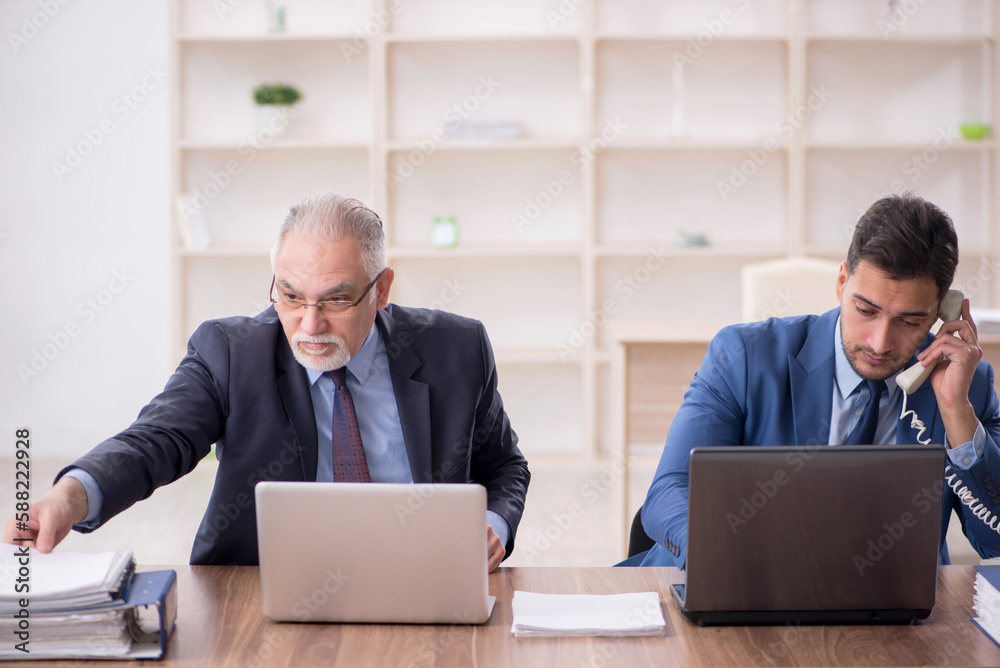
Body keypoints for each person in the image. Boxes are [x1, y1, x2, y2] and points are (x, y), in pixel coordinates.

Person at [4, 193, 530, 571]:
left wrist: (494, 527)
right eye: (291, 295)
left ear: (382, 288)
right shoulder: (230, 352)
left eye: (337, 299)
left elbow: (504, 465)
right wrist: (70, 496)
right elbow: (155, 440)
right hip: (260, 588)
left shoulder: (456, 349)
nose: (310, 324)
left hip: (423, 577)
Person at [625, 193, 1000, 568]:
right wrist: (725, 560)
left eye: (910, 321)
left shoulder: (967, 386)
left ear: (942, 312)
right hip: (739, 587)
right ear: (841, 283)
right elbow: (668, 492)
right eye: (866, 310)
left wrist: (956, 415)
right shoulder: (742, 355)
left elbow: (993, 540)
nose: (880, 343)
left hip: (889, 607)